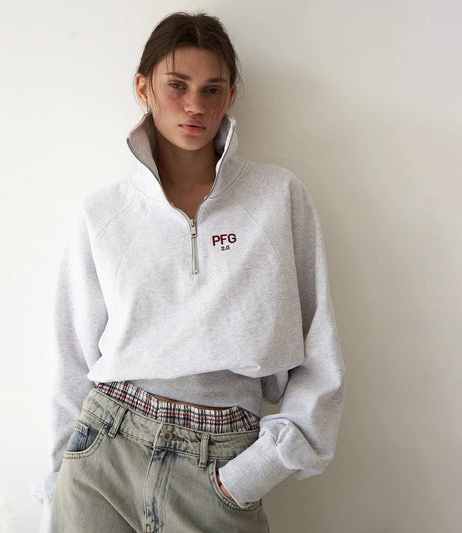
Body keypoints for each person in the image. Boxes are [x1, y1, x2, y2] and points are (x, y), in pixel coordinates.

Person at [33, 11, 345, 533]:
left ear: (229, 97)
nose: (195, 105)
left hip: (222, 462)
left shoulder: (277, 198)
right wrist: (55, 486)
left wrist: (257, 469)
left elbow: (321, 352)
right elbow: (71, 361)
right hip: (104, 452)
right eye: (177, 85)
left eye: (212, 89)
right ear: (144, 88)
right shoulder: (102, 214)